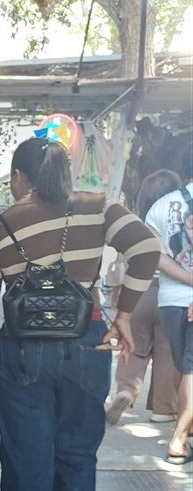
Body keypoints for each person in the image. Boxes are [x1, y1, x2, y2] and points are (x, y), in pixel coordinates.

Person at [0, 137, 160, 491]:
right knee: (77, 451)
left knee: (26, 460)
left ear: (18, 178)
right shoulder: (99, 207)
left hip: (25, 353)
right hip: (88, 344)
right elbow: (148, 248)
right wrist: (124, 315)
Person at [106, 170, 182, 425]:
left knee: (134, 347)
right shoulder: (181, 227)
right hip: (170, 294)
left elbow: (120, 265)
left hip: (137, 295)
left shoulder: (134, 226)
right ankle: (163, 408)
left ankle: (126, 391)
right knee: (167, 352)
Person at [144, 146, 193, 465]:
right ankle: (179, 438)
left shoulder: (159, 207)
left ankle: (185, 431)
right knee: (190, 368)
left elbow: (155, 256)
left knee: (185, 366)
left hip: (171, 300)